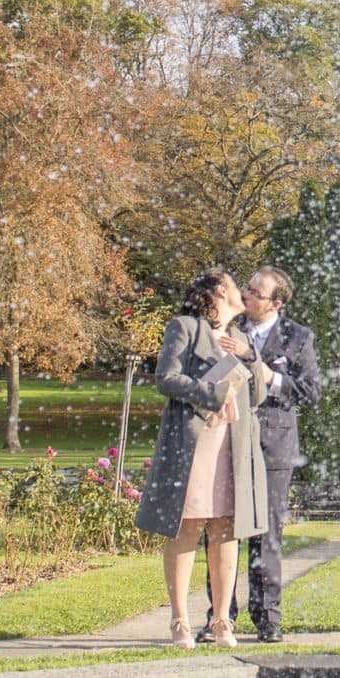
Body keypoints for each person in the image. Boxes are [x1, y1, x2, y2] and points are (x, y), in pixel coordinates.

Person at [133, 267, 273, 647]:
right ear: (215, 294)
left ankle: (222, 620)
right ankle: (179, 621)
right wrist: (212, 393)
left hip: (232, 443)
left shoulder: (241, 336)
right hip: (194, 442)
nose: (240, 291)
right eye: (232, 285)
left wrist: (250, 355)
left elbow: (257, 395)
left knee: (226, 529)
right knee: (187, 526)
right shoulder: (184, 327)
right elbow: (166, 378)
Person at [223, 265, 321, 642]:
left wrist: (267, 375)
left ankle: (268, 617)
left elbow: (311, 392)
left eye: (255, 292)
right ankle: (221, 615)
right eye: (246, 288)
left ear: (276, 303)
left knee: (267, 534)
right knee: (224, 529)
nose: (246, 295)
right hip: (229, 438)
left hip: (275, 444)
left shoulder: (298, 337)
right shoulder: (229, 329)